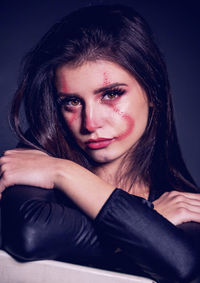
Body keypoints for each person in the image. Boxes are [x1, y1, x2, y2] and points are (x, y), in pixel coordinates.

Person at [0, 4, 199, 282]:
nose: (90, 123)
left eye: (111, 94)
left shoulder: (181, 200)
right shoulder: (36, 161)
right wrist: (148, 225)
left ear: (153, 92)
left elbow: (182, 262)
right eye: (71, 102)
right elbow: (32, 235)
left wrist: (63, 173)